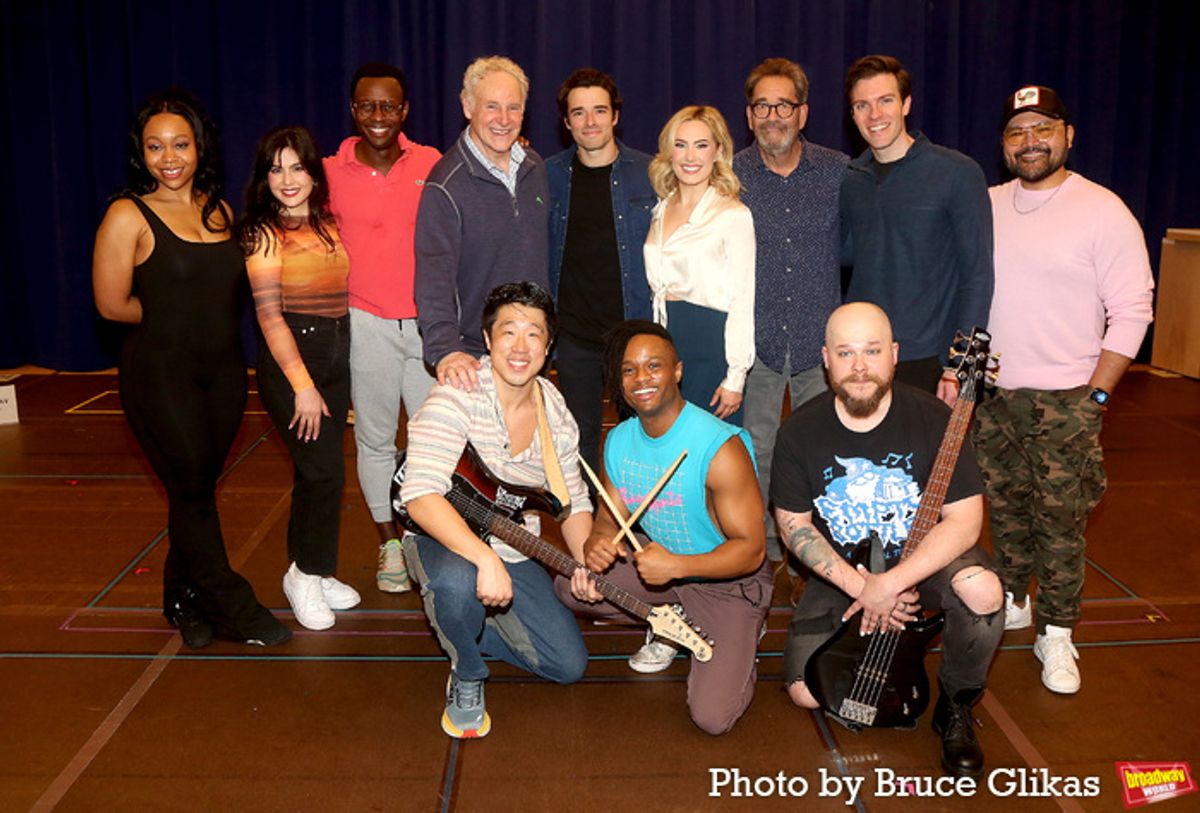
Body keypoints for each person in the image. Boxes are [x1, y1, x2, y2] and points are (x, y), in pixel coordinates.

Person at [92, 88, 290, 648]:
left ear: (199, 147)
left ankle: (181, 596)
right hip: (159, 375)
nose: (169, 157)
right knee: (193, 491)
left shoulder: (218, 210)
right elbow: (112, 305)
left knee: (193, 488)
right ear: (141, 153)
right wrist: (169, 317)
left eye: (180, 144)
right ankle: (233, 604)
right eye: (155, 146)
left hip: (223, 375)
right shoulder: (127, 214)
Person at [973, 86, 1155, 695]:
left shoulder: (1103, 210)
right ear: (1004, 144)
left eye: (1042, 128)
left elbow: (1133, 310)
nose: (1030, 142)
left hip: (1068, 401)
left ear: (1068, 135)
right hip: (995, 398)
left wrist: (1096, 398)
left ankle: (1056, 631)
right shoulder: (987, 205)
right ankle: (1015, 600)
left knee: (1060, 523)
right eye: (1016, 132)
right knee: (1005, 512)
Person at [771, 302, 1003, 777]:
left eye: (872, 351)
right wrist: (866, 589)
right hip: (843, 574)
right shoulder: (800, 431)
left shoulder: (934, 418)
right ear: (826, 359)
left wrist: (892, 583)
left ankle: (956, 704)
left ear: (894, 354)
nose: (860, 366)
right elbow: (794, 526)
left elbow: (964, 521)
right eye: (846, 353)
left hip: (924, 563)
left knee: (983, 590)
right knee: (806, 693)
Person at [554, 320, 773, 735]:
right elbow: (609, 517)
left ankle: (746, 630)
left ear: (677, 371)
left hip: (729, 582)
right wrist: (598, 541)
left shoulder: (719, 447)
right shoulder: (619, 440)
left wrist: (678, 566)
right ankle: (673, 617)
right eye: (629, 370)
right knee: (571, 584)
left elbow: (752, 550)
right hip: (660, 569)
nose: (641, 378)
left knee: (712, 718)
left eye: (653, 366)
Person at [399, 282, 591, 739]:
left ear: (548, 346)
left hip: (510, 543)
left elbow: (573, 502)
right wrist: (483, 559)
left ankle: (461, 624)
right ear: (487, 339)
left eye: (533, 334)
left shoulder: (555, 411)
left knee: (568, 665)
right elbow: (420, 495)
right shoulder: (457, 394)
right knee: (456, 582)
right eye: (508, 332)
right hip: (439, 535)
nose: (520, 347)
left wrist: (584, 561)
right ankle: (466, 670)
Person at [324, 62, 442, 595]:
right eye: (368, 105)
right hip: (364, 323)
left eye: (388, 106)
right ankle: (389, 543)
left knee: (433, 440)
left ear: (404, 111)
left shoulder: (432, 163)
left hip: (426, 325)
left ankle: (426, 535)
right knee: (373, 439)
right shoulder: (329, 171)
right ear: (354, 110)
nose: (378, 116)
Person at [240, 126, 361, 631]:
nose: (287, 179)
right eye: (276, 169)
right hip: (295, 365)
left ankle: (315, 567)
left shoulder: (328, 222)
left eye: (296, 167)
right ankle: (304, 575)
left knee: (322, 474)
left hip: (335, 357)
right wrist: (303, 386)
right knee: (322, 473)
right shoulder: (264, 233)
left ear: (313, 173)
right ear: (264, 178)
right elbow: (269, 317)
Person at [733, 57, 849, 577]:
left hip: (820, 345)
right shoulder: (729, 175)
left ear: (802, 113)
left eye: (783, 106)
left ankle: (816, 560)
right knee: (756, 453)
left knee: (822, 454)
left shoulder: (840, 172)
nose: (772, 116)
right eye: (762, 106)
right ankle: (763, 553)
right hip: (754, 343)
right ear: (749, 115)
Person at [839, 54, 993, 405]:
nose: (874, 115)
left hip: (931, 362)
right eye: (862, 105)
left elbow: (978, 276)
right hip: (865, 358)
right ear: (853, 115)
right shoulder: (851, 180)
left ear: (906, 104)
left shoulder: (957, 172)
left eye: (885, 101)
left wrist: (961, 365)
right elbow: (844, 255)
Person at [415, 56, 550, 393]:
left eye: (513, 108)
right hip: (475, 360)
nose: (503, 119)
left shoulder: (534, 168)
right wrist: (446, 350)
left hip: (532, 351)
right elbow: (433, 278)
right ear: (467, 106)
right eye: (492, 106)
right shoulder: (445, 185)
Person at [546, 68, 655, 472]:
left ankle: (641, 510)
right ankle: (588, 512)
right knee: (580, 439)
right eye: (579, 112)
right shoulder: (547, 176)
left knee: (642, 436)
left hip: (633, 331)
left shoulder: (650, 173)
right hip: (574, 335)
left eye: (599, 110)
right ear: (566, 121)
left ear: (616, 116)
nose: (589, 121)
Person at [644, 105, 756, 425]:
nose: (690, 156)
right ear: (669, 152)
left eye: (701, 145)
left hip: (711, 343)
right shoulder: (660, 209)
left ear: (718, 151)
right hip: (665, 339)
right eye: (680, 145)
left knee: (712, 446)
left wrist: (735, 376)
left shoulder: (733, 215)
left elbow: (743, 299)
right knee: (669, 441)